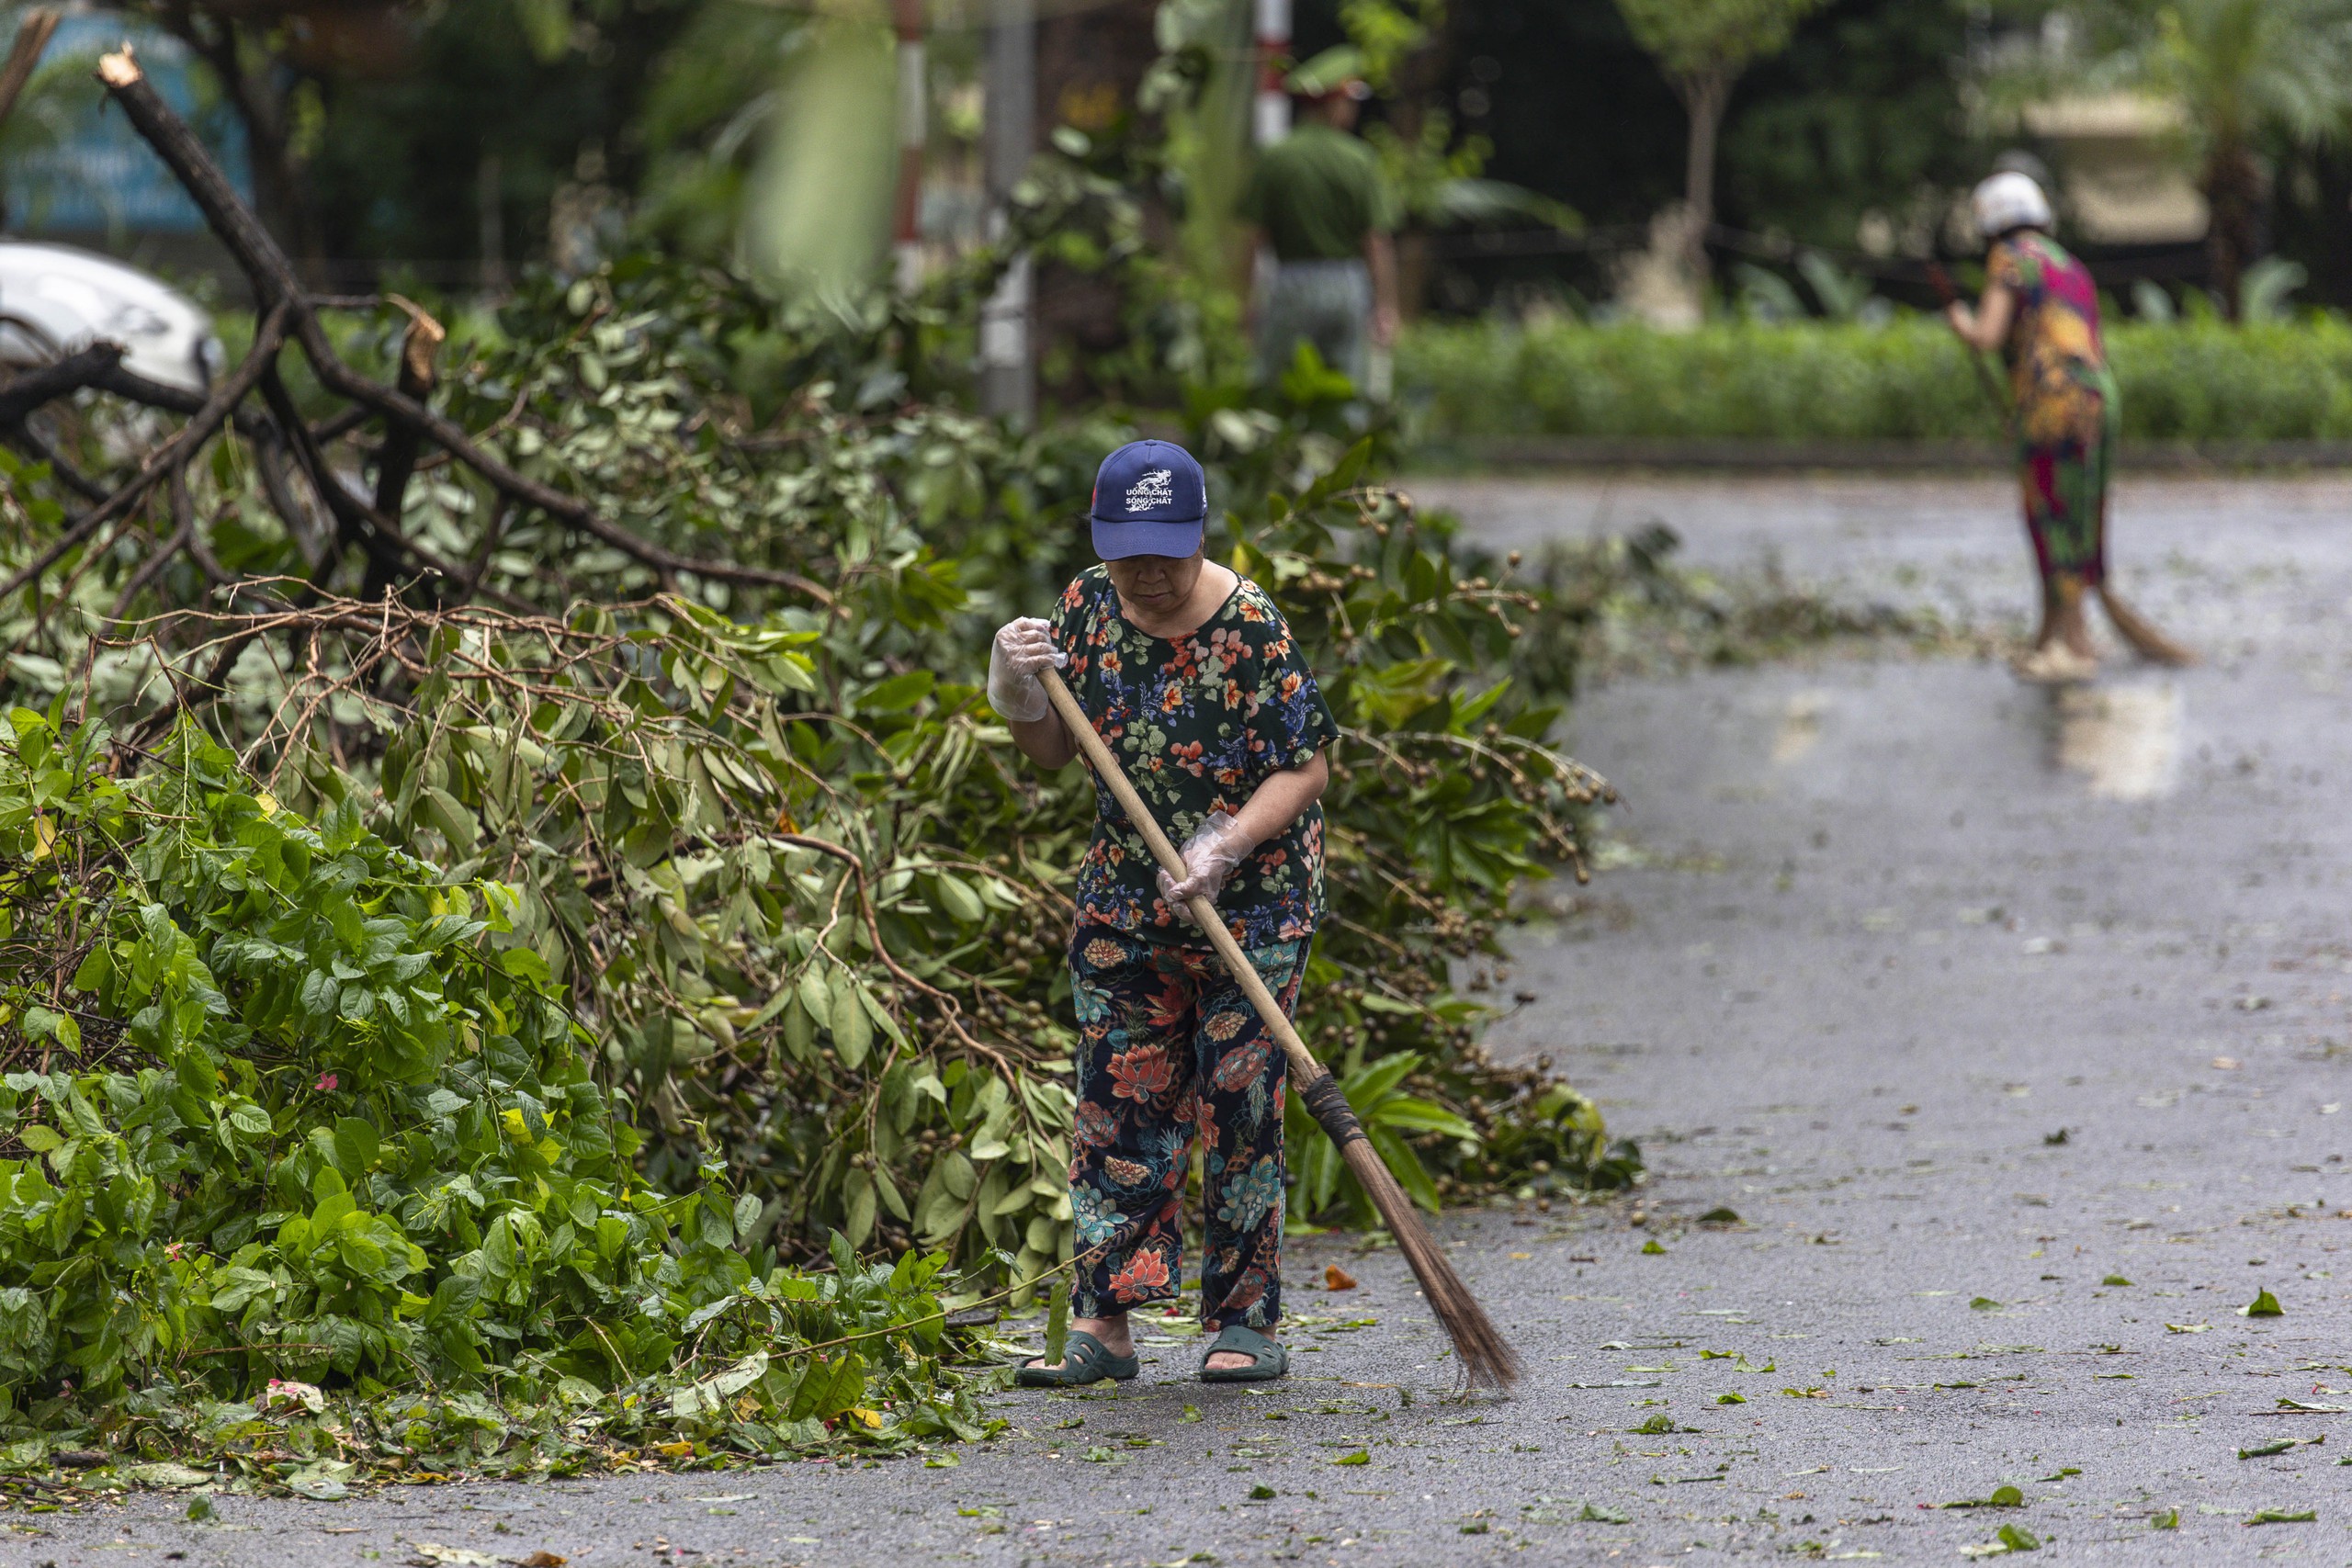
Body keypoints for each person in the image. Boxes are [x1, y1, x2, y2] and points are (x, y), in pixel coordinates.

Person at [987, 438, 1339, 1385]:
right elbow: (1054, 752)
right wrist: (1012, 686)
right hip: (1126, 899)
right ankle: (1105, 1323)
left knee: (1238, 1097)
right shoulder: (1087, 606)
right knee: (1117, 1099)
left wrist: (1225, 845)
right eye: (1125, 551)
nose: (1144, 574)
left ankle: (1242, 1320)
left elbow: (1308, 764)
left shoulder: (1252, 627)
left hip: (1254, 905)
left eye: (1163, 553)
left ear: (1198, 535)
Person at [1945, 170, 2193, 682]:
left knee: (2051, 518)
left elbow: (1988, 334)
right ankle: (2051, 635)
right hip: (2098, 397)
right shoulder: (2068, 264)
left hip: (2051, 405)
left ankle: (2074, 645)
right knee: (2084, 518)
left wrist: (1960, 323)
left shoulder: (2009, 260)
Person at [1237, 58, 1401, 393]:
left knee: (1277, 388)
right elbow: (1376, 241)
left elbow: (1255, 239)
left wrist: (1248, 303)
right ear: (1333, 104)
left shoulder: (1276, 158)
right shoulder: (1360, 159)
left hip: (1291, 284)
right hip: (1347, 285)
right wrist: (1385, 307)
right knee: (1345, 390)